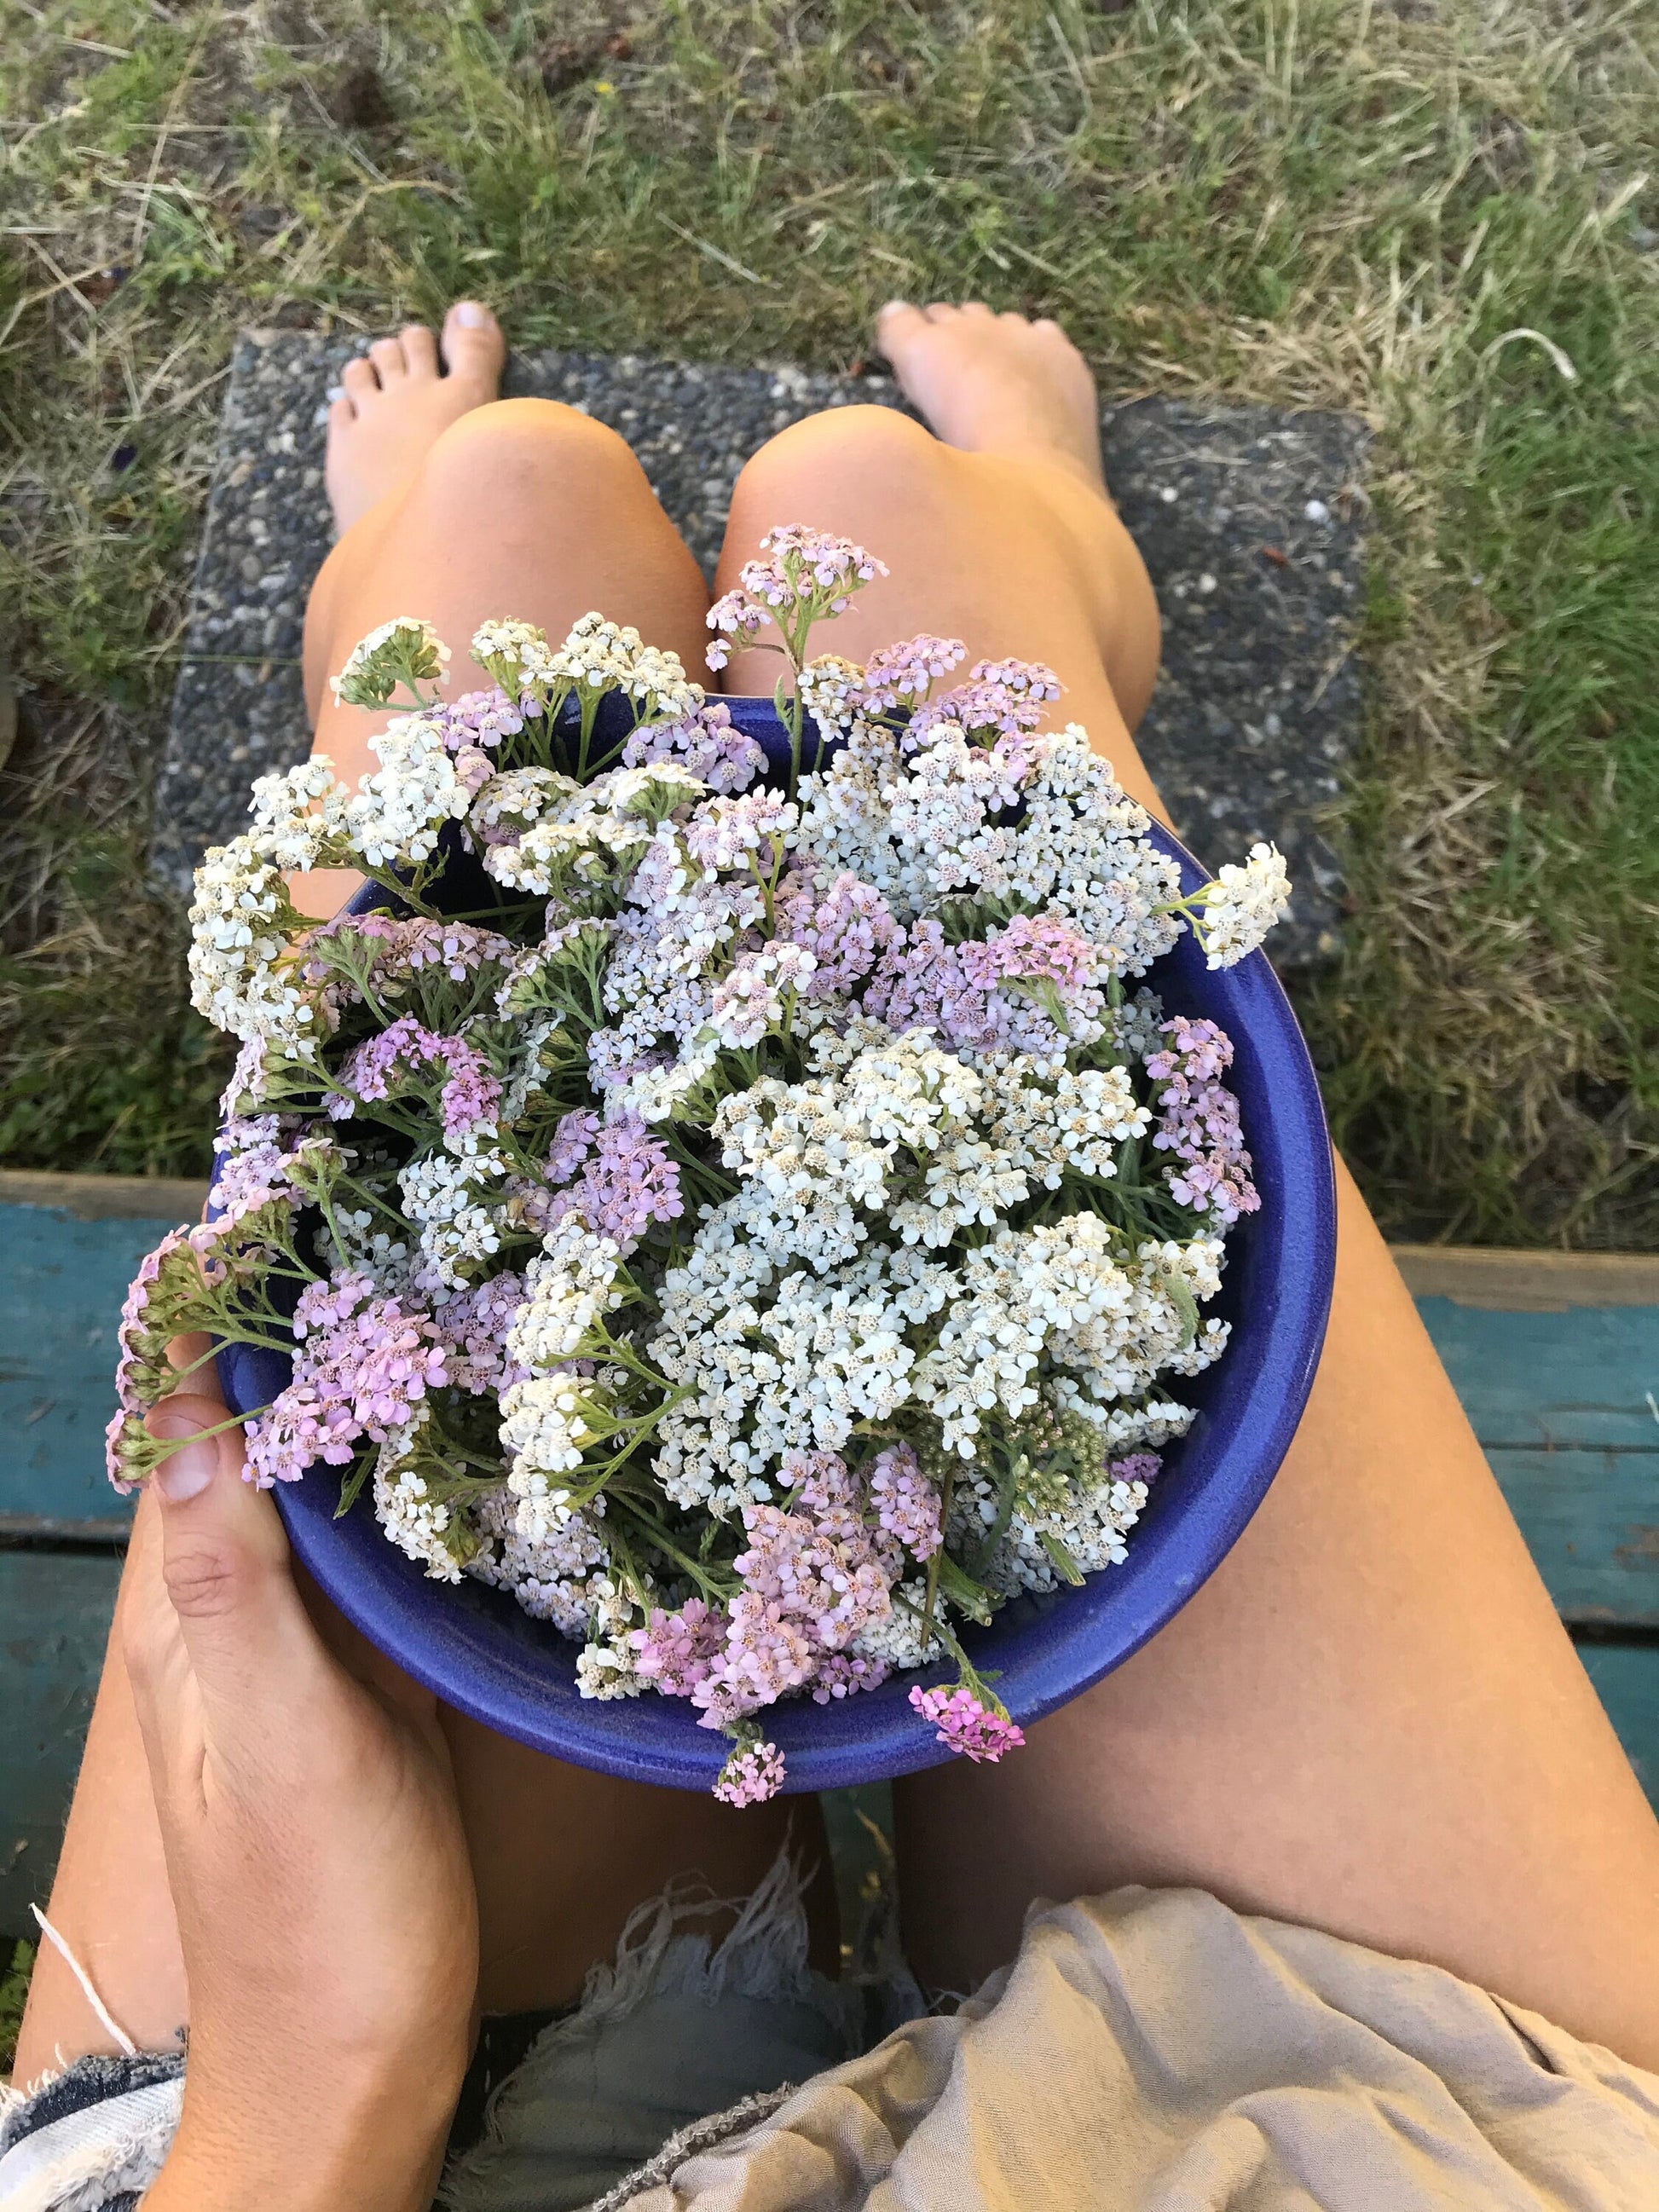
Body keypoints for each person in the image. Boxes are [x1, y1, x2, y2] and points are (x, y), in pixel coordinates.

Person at [6, 302, 1658, 2212]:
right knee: (880, 516)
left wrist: (315, 2100)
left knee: (502, 527)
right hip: (1320, 2127)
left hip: (348, 2138)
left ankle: (414, 576)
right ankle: (1043, 536)